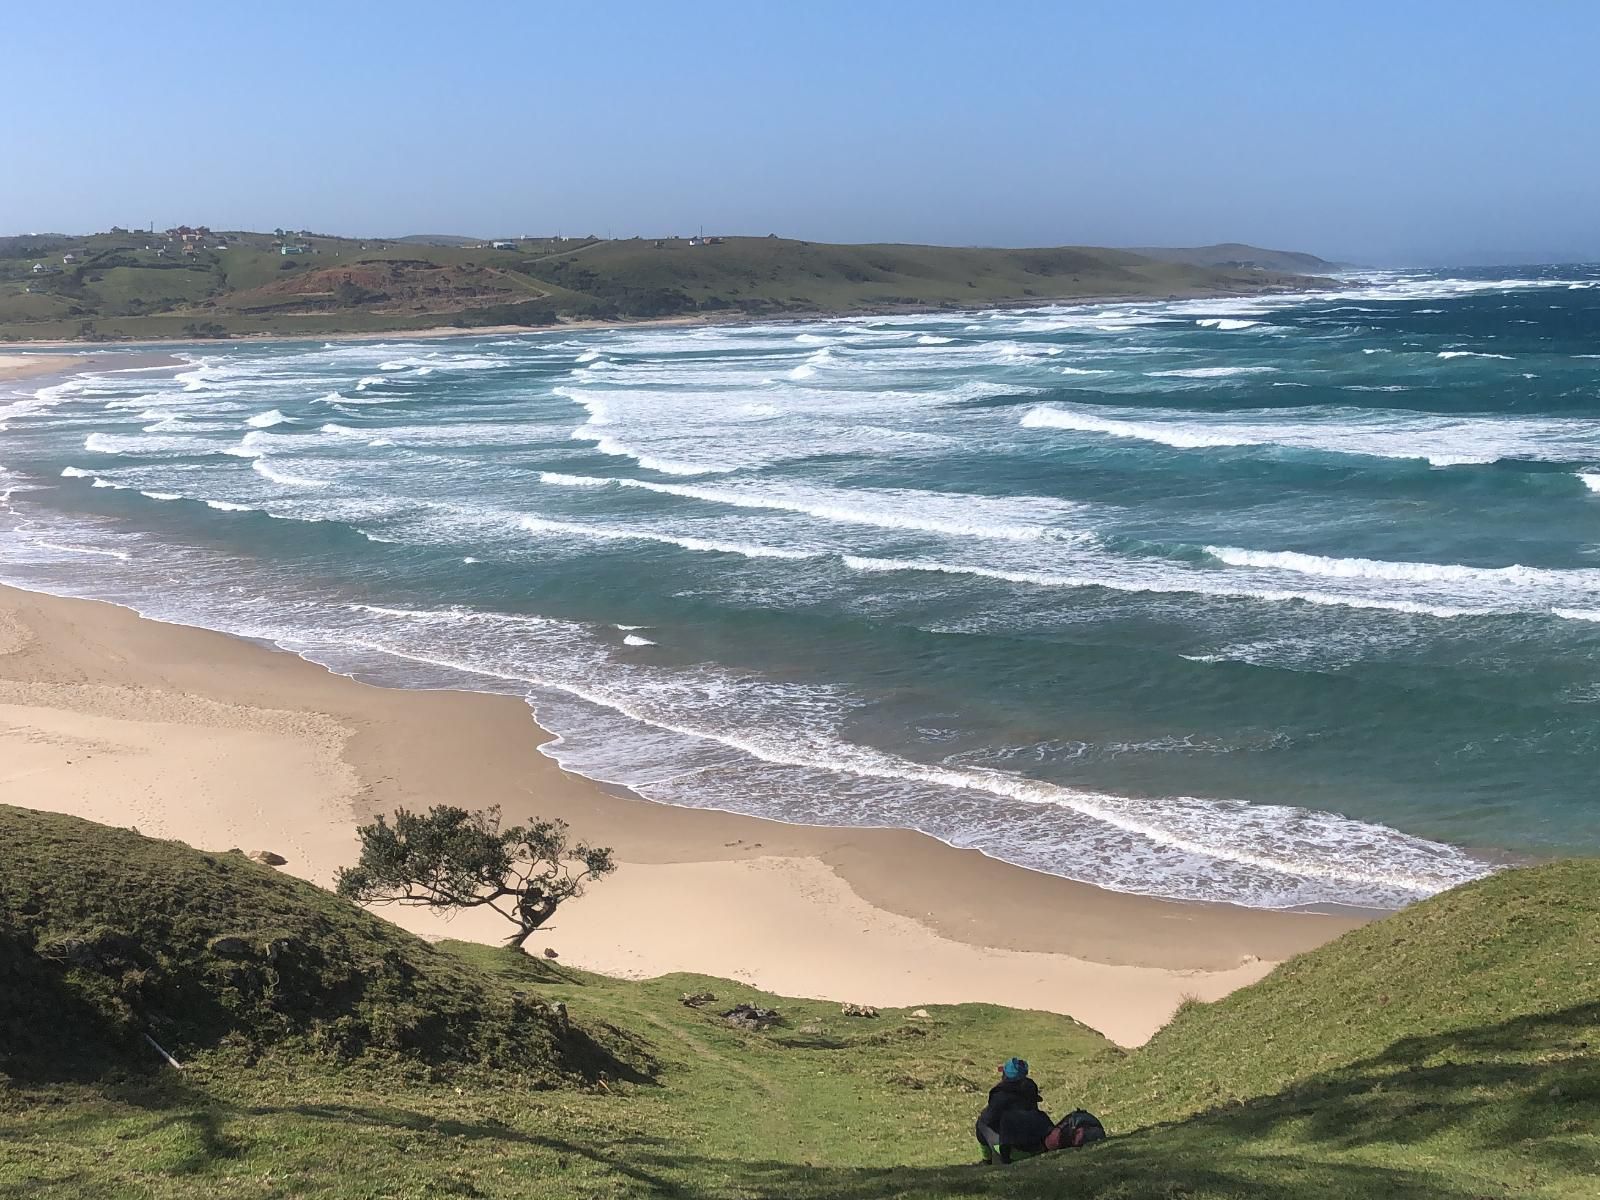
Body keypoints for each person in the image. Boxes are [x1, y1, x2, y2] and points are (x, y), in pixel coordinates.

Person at [975, 1057, 1053, 1164]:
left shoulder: (999, 1095)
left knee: (981, 1123)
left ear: (1005, 1075)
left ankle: (986, 1161)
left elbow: (989, 1120)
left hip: (1012, 1149)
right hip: (1036, 1144)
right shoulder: (1030, 1087)